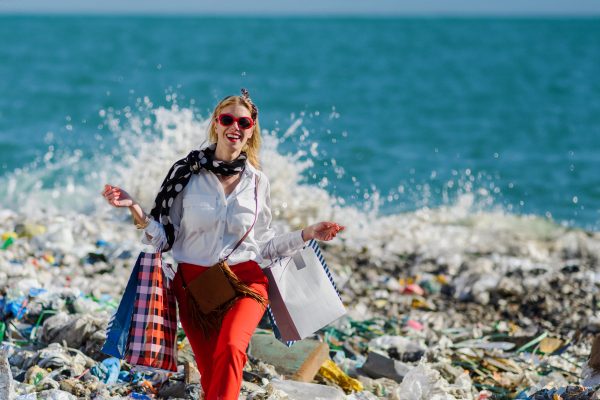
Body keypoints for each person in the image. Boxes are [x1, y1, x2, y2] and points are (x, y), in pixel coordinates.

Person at [101, 89, 344, 399]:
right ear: (216, 124)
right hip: (193, 289)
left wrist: (307, 233)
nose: (235, 127)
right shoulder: (185, 175)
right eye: (228, 119)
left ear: (252, 129)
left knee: (232, 349)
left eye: (243, 122)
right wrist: (135, 209)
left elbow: (265, 246)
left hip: (246, 284)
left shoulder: (257, 182)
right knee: (211, 376)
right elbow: (164, 239)